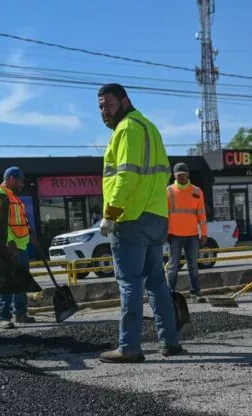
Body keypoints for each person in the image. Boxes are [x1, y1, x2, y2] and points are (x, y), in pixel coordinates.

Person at [96, 83, 185, 363]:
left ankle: (129, 346)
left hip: (131, 218)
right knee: (156, 281)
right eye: (101, 107)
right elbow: (161, 174)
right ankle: (170, 341)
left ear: (125, 101)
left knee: (129, 282)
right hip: (156, 216)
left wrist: (111, 213)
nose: (104, 111)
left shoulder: (126, 129)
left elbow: (126, 176)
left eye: (109, 105)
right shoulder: (150, 128)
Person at [0, 166, 36, 328]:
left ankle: (21, 314)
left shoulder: (14, 198)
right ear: (11, 178)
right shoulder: (0, 195)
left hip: (21, 245)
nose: (22, 184)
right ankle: (3, 317)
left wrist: (30, 233)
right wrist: (8, 242)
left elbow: (20, 221)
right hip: (10, 247)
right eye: (20, 181)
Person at [167, 161, 207, 303]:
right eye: (179, 175)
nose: (181, 177)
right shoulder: (169, 191)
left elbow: (201, 214)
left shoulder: (197, 191)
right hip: (174, 236)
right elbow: (165, 214)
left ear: (188, 174)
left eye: (183, 175)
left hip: (192, 235)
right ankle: (170, 294)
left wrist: (204, 233)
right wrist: (165, 233)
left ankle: (195, 293)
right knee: (173, 266)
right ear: (174, 175)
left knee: (193, 266)